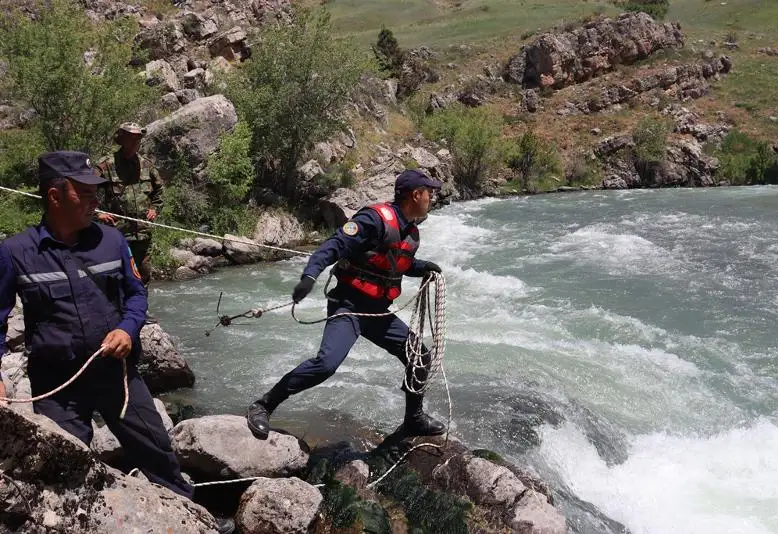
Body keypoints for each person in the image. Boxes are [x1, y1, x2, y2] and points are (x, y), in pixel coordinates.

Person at [0, 151, 233, 534]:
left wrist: (127, 329)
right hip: (57, 385)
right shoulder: (15, 253)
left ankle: (192, 517)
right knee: (64, 466)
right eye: (86, 192)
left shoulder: (112, 241)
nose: (96, 201)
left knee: (157, 448)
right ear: (55, 197)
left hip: (117, 373)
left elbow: (136, 295)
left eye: (97, 192)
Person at [247, 169, 447, 440]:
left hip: (377, 311)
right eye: (429, 193)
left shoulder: (410, 230)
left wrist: (422, 268)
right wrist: (308, 277)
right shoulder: (373, 219)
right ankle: (264, 405)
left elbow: (396, 263)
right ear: (416, 194)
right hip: (349, 306)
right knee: (326, 364)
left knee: (419, 356)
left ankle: (413, 419)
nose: (432, 198)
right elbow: (332, 246)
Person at [95, 122, 163, 287]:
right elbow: (85, 191)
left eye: (138, 139)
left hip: (142, 233)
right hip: (117, 233)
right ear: (122, 139)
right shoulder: (106, 165)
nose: (135, 143)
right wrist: (97, 214)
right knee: (118, 276)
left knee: (143, 275)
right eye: (131, 139)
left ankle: (141, 311)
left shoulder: (147, 165)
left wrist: (155, 209)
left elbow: (159, 192)